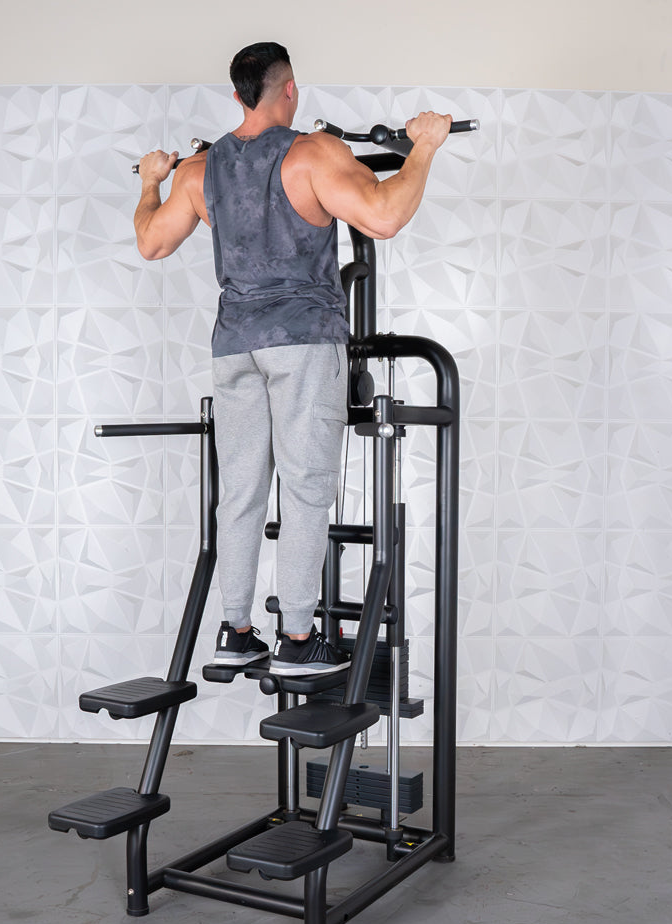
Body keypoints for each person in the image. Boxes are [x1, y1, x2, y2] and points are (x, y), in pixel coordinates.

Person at [134, 41, 451, 677]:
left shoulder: (198, 171)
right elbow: (384, 216)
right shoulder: (313, 154)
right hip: (304, 340)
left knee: (242, 493)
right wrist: (425, 146)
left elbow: (151, 241)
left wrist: (150, 183)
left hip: (234, 347)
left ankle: (236, 628)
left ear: (236, 96)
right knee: (305, 489)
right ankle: (300, 640)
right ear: (291, 90)